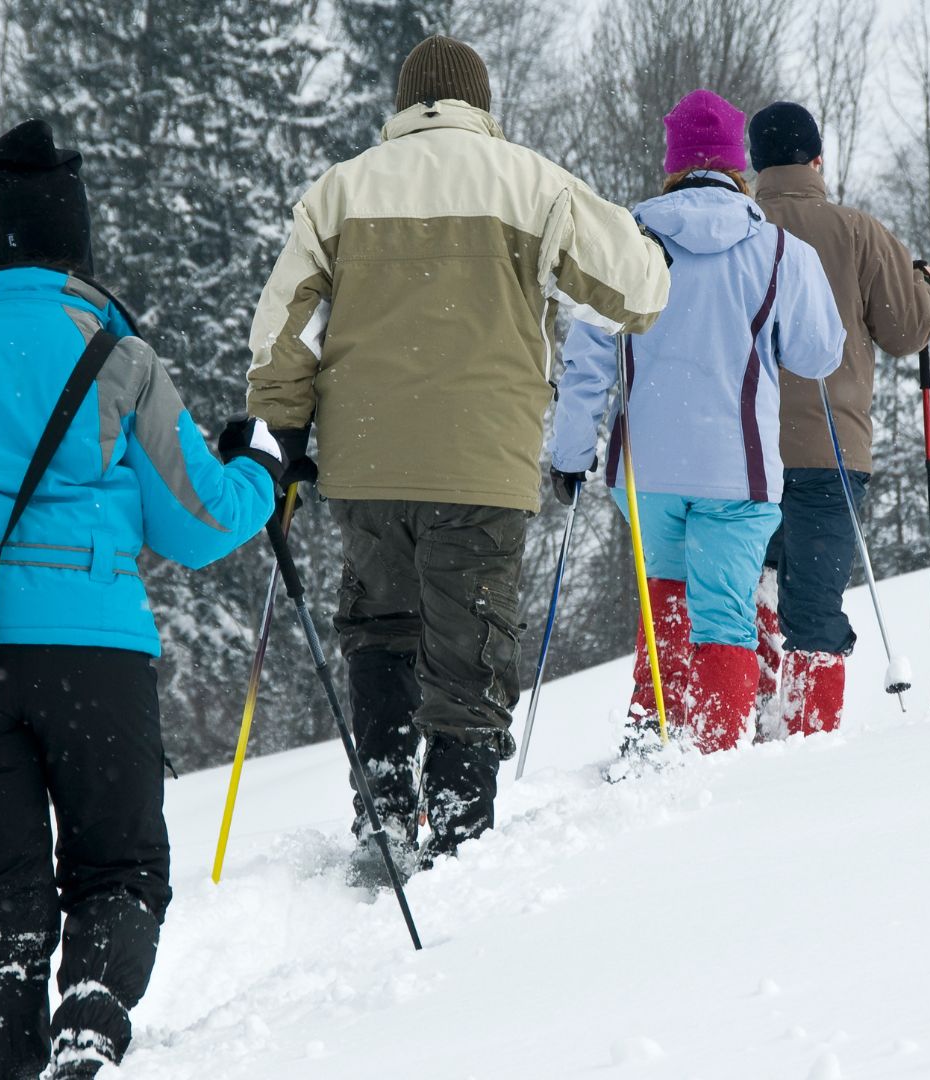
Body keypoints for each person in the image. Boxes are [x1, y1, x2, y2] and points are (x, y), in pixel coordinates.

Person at [0, 119, 280, 1080]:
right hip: (96, 655)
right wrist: (261, 469)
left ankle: (2, 1064)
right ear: (79, 241)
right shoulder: (121, 360)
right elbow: (200, 526)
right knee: (116, 867)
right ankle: (91, 1023)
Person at [246, 35, 670, 878]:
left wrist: (281, 436)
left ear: (404, 108)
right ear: (481, 105)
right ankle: (459, 828)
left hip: (365, 464)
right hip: (482, 466)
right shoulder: (531, 183)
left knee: (381, 630)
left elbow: (281, 334)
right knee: (470, 648)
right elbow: (639, 294)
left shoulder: (339, 191)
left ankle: (387, 811)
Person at [549, 90, 845, 758]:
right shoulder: (779, 251)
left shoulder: (627, 242)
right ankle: (713, 754)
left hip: (647, 470)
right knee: (724, 619)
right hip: (737, 472)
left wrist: (570, 456)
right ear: (737, 165)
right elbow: (819, 353)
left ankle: (656, 740)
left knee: (667, 606)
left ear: (672, 163)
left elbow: (587, 359)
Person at [746, 101, 930, 735]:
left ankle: (750, 717)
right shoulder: (857, 231)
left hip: (744, 455)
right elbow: (906, 331)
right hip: (832, 452)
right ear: (817, 160)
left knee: (751, 591)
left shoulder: (740, 227)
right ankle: (806, 738)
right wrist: (927, 287)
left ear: (754, 164)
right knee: (817, 606)